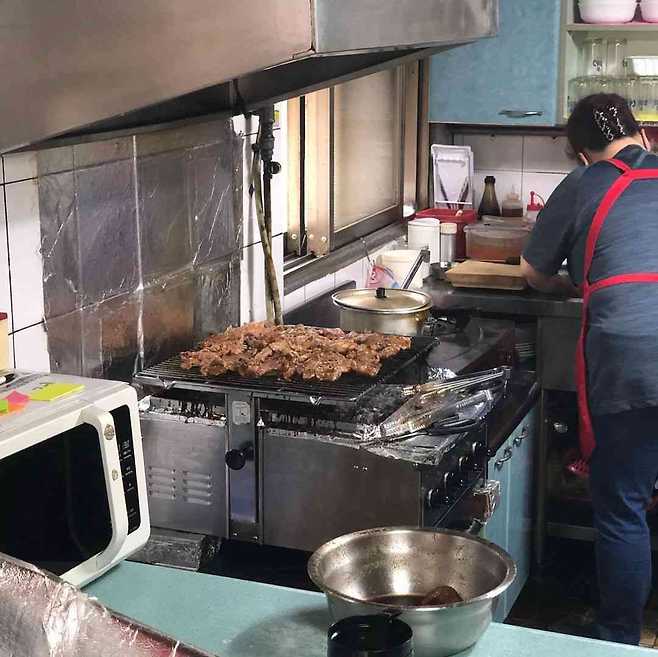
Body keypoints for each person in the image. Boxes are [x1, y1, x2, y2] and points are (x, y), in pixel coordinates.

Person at [521, 93, 658, 646]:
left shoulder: (582, 183)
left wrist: (576, 282)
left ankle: (618, 637)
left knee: (622, 506)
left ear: (581, 153)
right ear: (641, 135)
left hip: (631, 355)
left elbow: (533, 273)